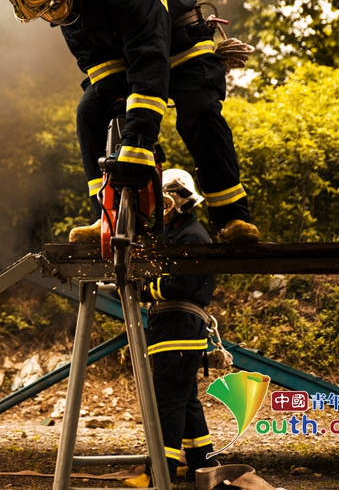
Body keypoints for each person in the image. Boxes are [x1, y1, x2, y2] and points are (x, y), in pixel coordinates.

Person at [2, 0, 260, 243]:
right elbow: (108, 80)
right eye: (44, 12)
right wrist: (132, 151)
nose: (55, 16)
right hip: (132, 60)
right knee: (90, 112)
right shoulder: (68, 16)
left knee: (199, 113)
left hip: (182, 49)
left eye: (55, 6)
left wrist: (137, 143)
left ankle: (233, 218)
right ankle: (107, 218)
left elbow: (149, 69)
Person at [127, 168, 219, 487]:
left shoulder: (191, 236)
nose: (160, 209)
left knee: (168, 401)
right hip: (176, 330)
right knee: (186, 398)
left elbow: (181, 284)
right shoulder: (179, 234)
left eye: (164, 201)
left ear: (180, 200)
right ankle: (202, 463)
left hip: (178, 329)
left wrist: (144, 287)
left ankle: (161, 472)